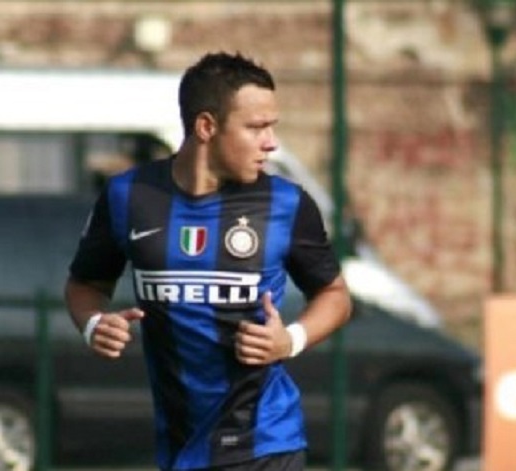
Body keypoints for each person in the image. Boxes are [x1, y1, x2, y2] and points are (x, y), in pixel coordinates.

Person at [65, 51, 352, 471]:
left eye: (272, 126)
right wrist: (93, 323)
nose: (271, 142)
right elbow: (84, 286)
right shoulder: (129, 197)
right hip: (179, 446)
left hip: (266, 442)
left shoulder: (285, 204)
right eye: (256, 127)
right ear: (206, 127)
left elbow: (335, 295)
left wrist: (289, 340)